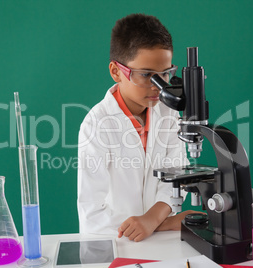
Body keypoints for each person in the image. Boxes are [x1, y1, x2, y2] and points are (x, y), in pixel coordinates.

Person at [77, 13, 199, 242]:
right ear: (116, 72)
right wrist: (157, 224)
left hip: (162, 242)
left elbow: (175, 176)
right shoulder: (96, 125)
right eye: (146, 75)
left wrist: (152, 219)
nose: (158, 86)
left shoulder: (168, 112)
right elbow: (91, 214)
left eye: (165, 74)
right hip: (117, 241)